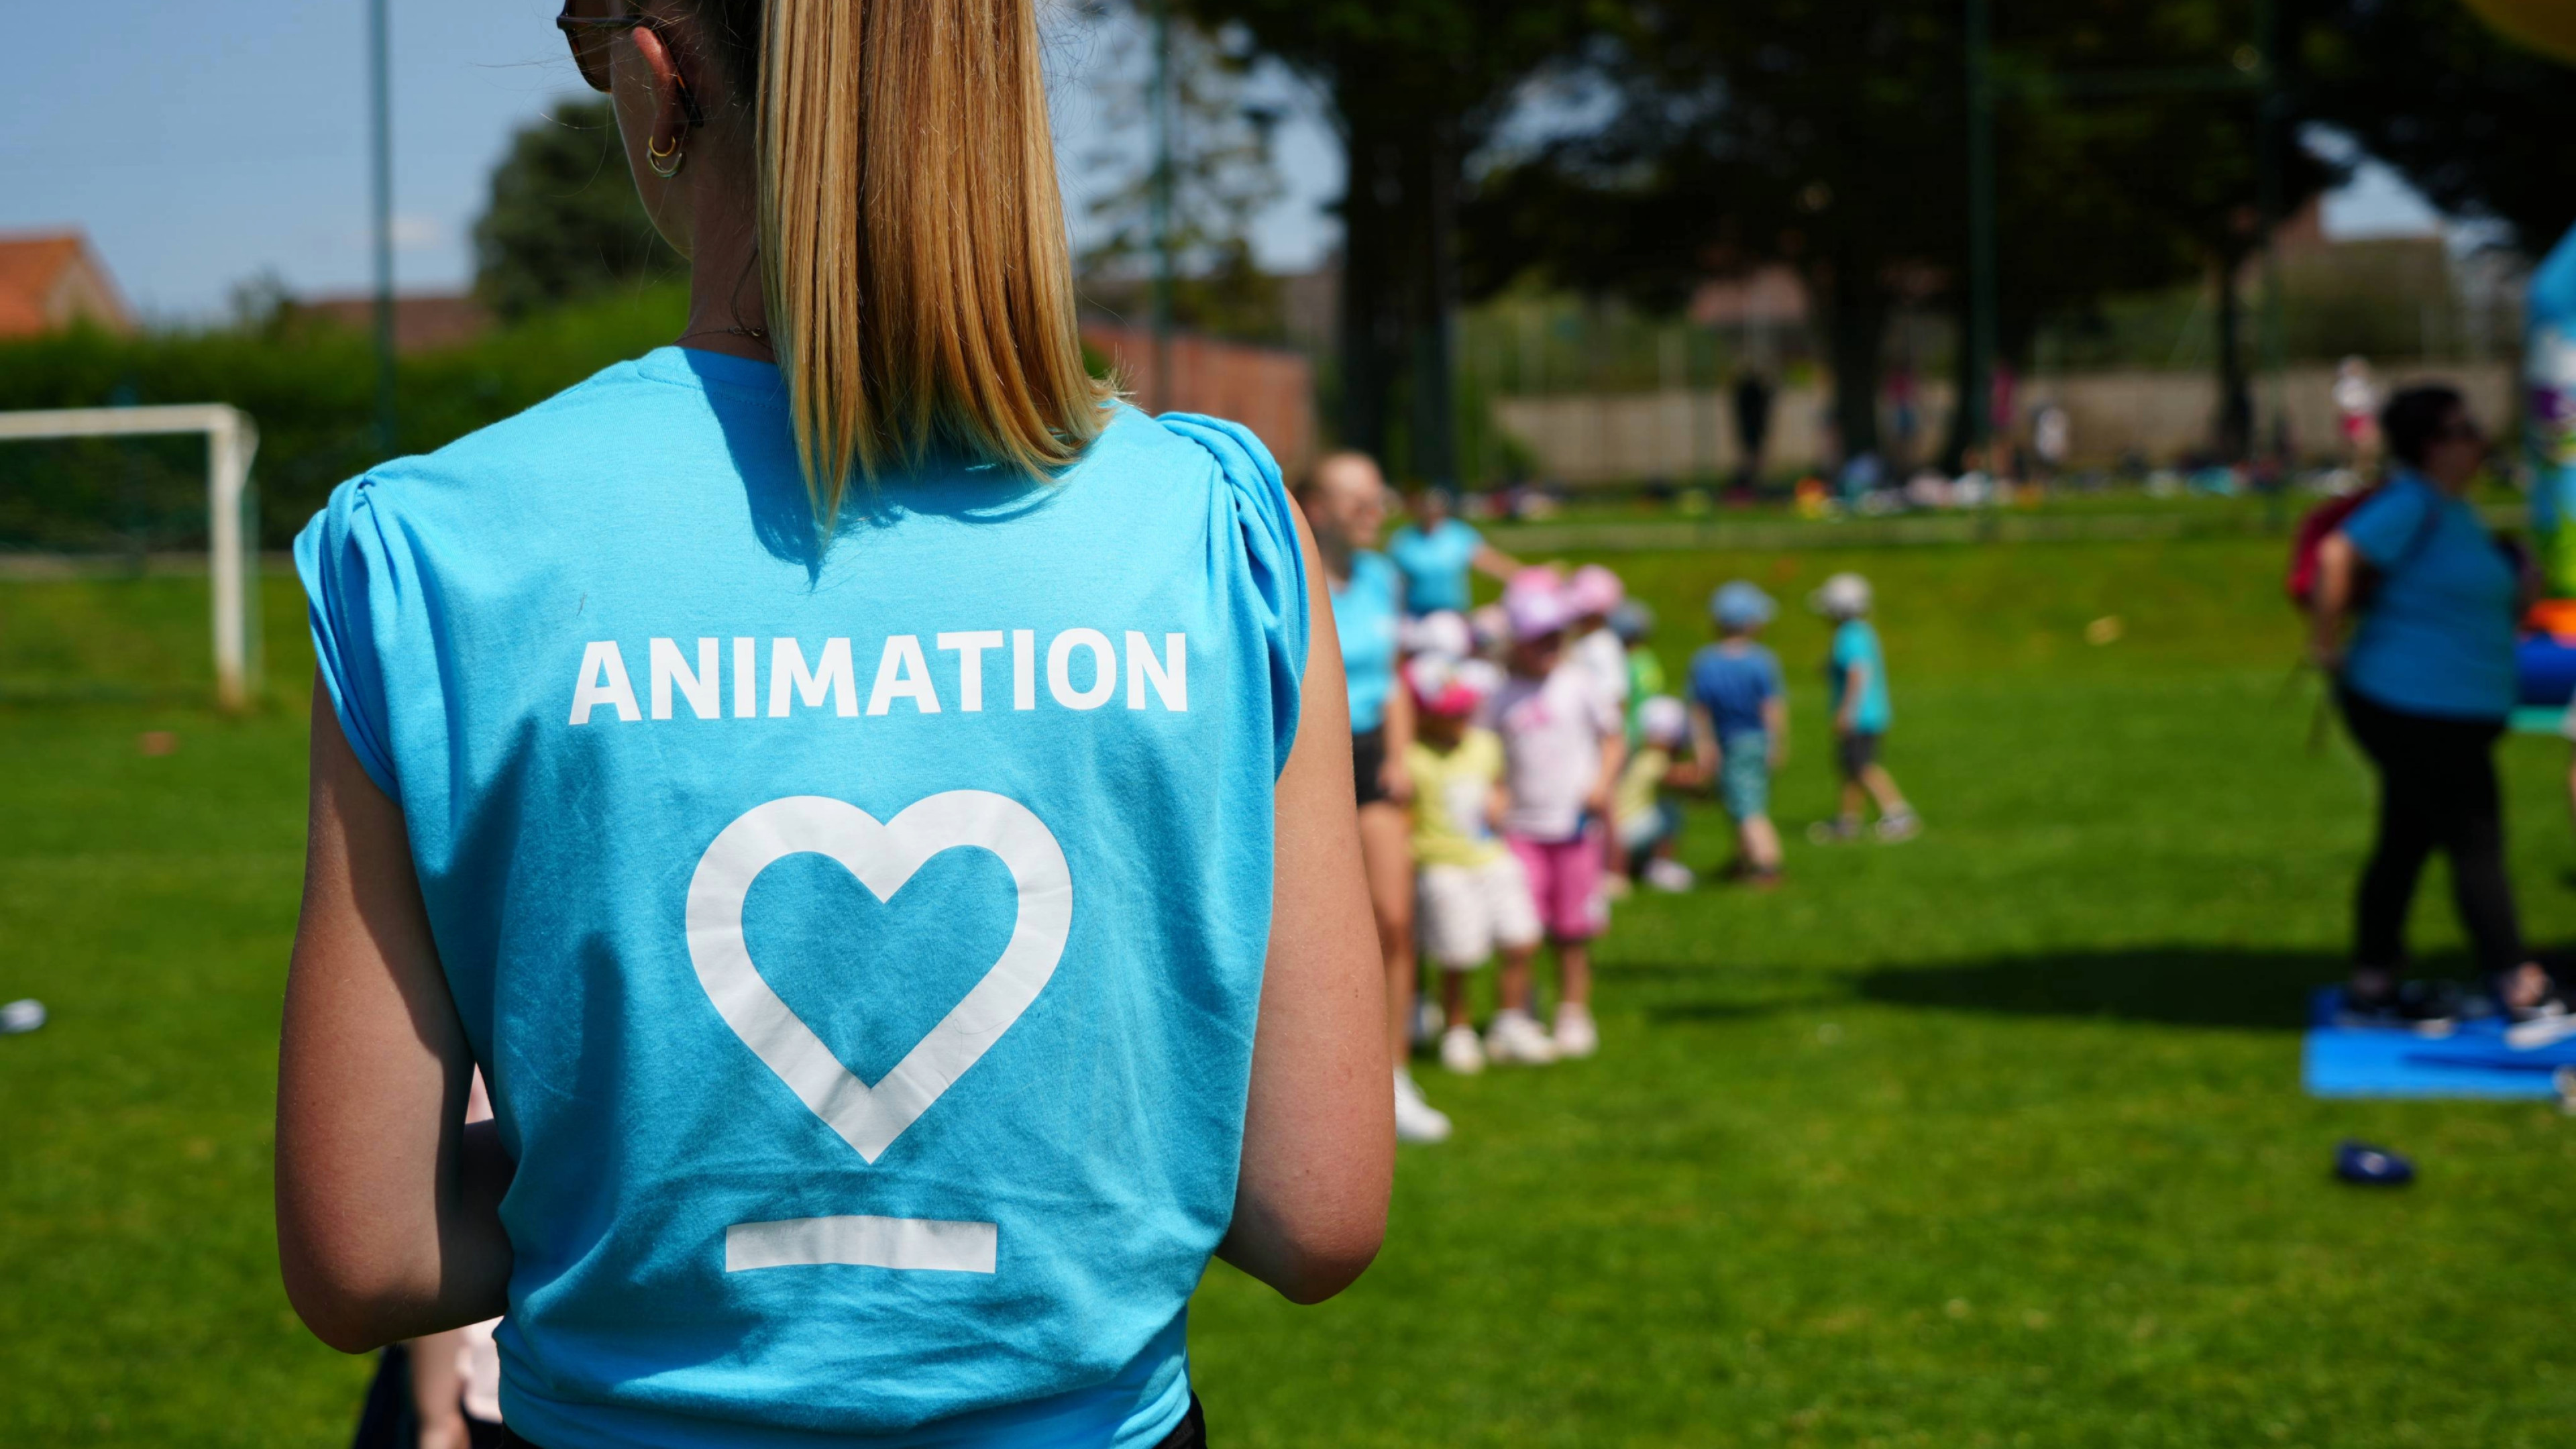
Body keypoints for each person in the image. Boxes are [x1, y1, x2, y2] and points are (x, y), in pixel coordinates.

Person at [274, 4, 1393, 1446]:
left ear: (661, 83)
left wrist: (658, 1184)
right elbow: (1316, 1209)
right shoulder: (1217, 529)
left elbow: (367, 1254)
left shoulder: (435, 551)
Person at [2310, 385, 2569, 1037]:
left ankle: (2373, 984)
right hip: (2409, 703)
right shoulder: (2411, 501)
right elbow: (2337, 555)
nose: (2479, 440)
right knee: (2475, 834)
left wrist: (2522, 586)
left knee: (2408, 837)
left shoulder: (2455, 510)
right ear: (2431, 446)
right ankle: (2518, 984)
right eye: (2464, 430)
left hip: (2446, 705)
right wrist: (2326, 647)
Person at [1299, 451, 1451, 1143]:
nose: (1373, 510)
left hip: (1370, 758)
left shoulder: (1385, 579)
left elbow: (1391, 679)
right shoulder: (1292, 579)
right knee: (1312, 935)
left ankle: (1394, 1078)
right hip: (1308, 763)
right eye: (1356, 499)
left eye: (1377, 496)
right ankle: (1315, 1087)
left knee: (1394, 918)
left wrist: (1398, 754)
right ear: (1317, 509)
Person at [1486, 583, 1625, 1060]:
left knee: (1572, 930)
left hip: (1574, 826)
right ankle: (1521, 1012)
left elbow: (1613, 738)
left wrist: (1602, 784)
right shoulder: (1502, 695)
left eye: (1555, 637)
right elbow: (1488, 751)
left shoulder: (1579, 684)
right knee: (1522, 931)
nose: (1548, 646)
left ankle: (1573, 1011)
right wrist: (1494, 792)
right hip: (1521, 829)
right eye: (1537, 638)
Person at [1401, 656, 1546, 1075]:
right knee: (1457, 954)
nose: (1461, 718)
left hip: (1490, 855)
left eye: (1464, 709)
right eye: (1451, 713)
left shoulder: (1484, 745)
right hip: (1443, 864)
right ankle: (1458, 1029)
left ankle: (1511, 1021)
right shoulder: (1411, 757)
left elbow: (1497, 785)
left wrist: (1500, 800)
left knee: (1521, 938)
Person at [1687, 582, 1788, 885]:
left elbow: (1700, 711)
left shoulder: (1705, 662)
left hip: (1727, 742)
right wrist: (1777, 743)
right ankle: (1743, 861)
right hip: (1757, 741)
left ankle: (1768, 864)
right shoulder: (1762, 660)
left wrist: (1703, 745)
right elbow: (1772, 707)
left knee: (1747, 808)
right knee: (1744, 802)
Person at [1809, 572, 1920, 843]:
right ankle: (1848, 822)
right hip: (1871, 713)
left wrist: (1847, 711)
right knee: (1851, 769)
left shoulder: (1847, 635)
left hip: (1860, 715)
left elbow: (1857, 672)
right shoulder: (1862, 631)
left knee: (1863, 767)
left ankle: (1899, 815)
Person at [1385, 486, 1521, 618]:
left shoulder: (1459, 535)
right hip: (1414, 614)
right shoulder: (1404, 539)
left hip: (1452, 613)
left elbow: (1491, 562)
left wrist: (1522, 577)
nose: (1432, 512)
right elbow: (1390, 579)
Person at [1613, 695, 1700, 894]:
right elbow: (1681, 778)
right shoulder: (1655, 758)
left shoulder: (1639, 756)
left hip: (1618, 829)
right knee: (1669, 811)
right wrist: (1705, 767)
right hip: (1626, 833)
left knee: (1658, 807)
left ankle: (1638, 864)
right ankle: (1661, 867)